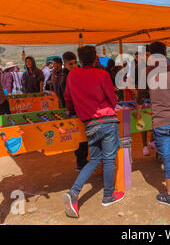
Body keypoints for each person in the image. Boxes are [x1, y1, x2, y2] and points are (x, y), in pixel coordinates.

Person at [63, 46, 124, 218]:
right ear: (96, 58)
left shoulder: (72, 75)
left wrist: (71, 111)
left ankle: (74, 193)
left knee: (94, 159)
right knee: (109, 159)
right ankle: (108, 195)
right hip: (107, 121)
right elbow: (111, 97)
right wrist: (111, 105)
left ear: (80, 60)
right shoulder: (102, 74)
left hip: (89, 123)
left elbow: (68, 98)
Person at [136, 42, 170, 206]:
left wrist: (138, 112)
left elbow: (141, 95)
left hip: (161, 122)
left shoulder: (147, 71)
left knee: (167, 157)